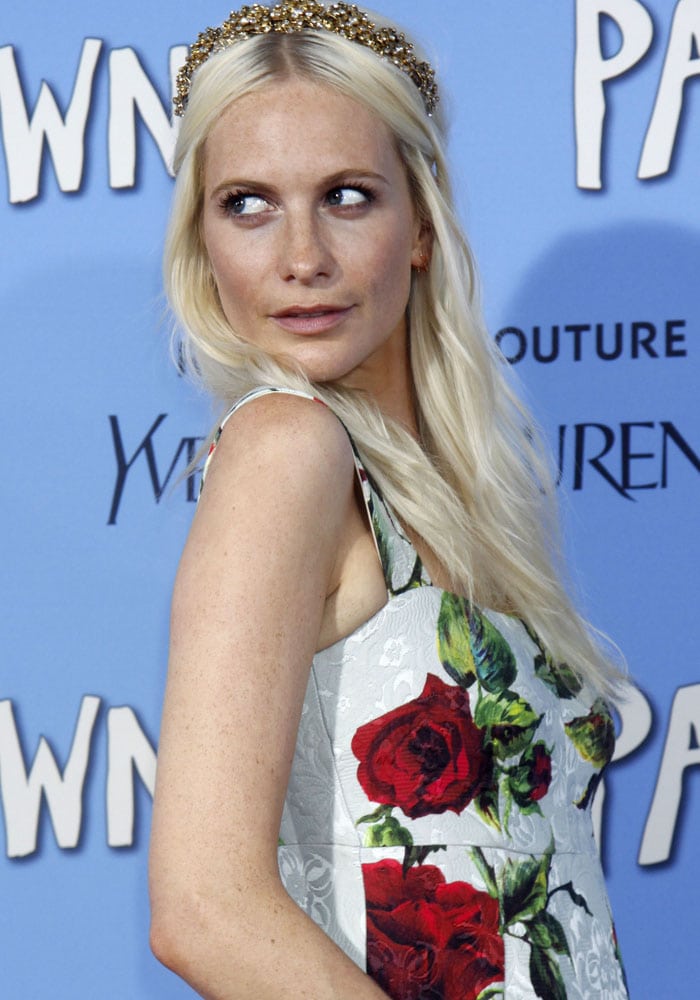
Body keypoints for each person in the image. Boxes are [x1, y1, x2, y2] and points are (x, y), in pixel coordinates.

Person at [149, 3, 630, 998]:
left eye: (346, 196)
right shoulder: (286, 449)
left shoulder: (453, 490)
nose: (302, 257)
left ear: (419, 222)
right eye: (247, 203)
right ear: (202, 241)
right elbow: (204, 908)